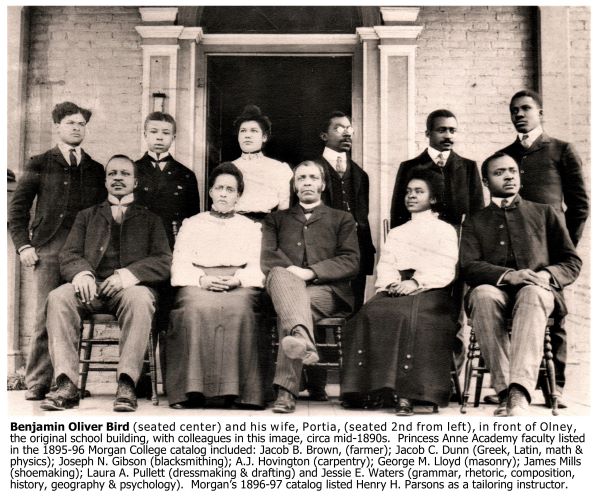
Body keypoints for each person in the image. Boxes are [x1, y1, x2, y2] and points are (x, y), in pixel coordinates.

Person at [40, 155, 172, 412]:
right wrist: (82, 274)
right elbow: (69, 254)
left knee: (141, 299)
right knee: (58, 297)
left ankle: (126, 383)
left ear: (135, 181)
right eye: (112, 174)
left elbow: (164, 260)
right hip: (90, 288)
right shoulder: (86, 216)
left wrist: (127, 276)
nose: (118, 178)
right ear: (106, 180)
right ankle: (66, 383)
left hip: (129, 289)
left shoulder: (151, 219)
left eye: (124, 174)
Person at [460, 152, 581, 416]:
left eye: (512, 171)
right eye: (499, 172)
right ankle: (505, 391)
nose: (508, 177)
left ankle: (519, 391)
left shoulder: (544, 213)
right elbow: (469, 266)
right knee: (482, 294)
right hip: (495, 291)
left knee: (532, 293)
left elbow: (571, 261)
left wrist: (548, 275)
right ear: (484, 180)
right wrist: (508, 275)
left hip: (537, 292)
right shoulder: (475, 219)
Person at [8, 101, 106, 401]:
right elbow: (17, 209)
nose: (77, 128)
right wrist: (24, 245)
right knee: (44, 314)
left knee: (71, 313)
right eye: (71, 123)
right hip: (48, 249)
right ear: (58, 126)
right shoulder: (40, 163)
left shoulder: (94, 168)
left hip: (83, 255)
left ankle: (68, 381)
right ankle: (38, 381)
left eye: (81, 124)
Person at [342, 169, 459, 416]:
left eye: (419, 192)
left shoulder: (444, 230)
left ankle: (408, 393)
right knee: (367, 314)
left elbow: (445, 265)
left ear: (434, 198)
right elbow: (386, 264)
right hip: (396, 289)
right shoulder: (397, 232)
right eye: (408, 192)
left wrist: (415, 283)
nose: (411, 196)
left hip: (431, 290)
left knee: (410, 319)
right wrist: (392, 282)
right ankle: (371, 390)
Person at [498, 90, 589, 401]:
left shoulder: (562, 150)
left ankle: (555, 387)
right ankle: (515, 386)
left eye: (526, 109)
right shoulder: (506, 154)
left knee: (557, 316)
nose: (520, 115)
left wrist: (565, 248)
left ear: (540, 113)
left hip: (551, 251)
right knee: (514, 309)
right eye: (514, 110)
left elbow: (579, 206)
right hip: (514, 249)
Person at [262, 160, 360, 413]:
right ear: (294, 187)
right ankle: (304, 345)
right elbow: (268, 256)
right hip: (284, 283)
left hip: (327, 291)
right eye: (301, 178)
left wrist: (310, 272)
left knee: (291, 310)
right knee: (286, 287)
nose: (307, 182)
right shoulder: (276, 219)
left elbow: (350, 260)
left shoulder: (342, 219)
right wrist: (292, 274)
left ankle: (286, 391)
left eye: (313, 178)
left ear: (323, 184)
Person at [165, 163, 265, 409]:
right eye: (219, 188)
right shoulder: (192, 223)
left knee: (239, 309)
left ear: (238, 195)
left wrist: (238, 279)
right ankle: (191, 391)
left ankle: (241, 393)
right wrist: (201, 279)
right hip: (198, 281)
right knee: (195, 309)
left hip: (238, 283)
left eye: (230, 189)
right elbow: (179, 262)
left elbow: (257, 264)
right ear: (210, 192)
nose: (223, 193)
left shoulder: (251, 227)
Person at [313, 111, 375, 313]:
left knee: (354, 309)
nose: (347, 133)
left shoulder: (360, 175)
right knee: (319, 306)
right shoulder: (310, 171)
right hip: (323, 253)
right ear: (324, 136)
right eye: (339, 128)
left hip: (357, 252)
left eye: (349, 129)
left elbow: (362, 217)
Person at [390, 109, 483, 229]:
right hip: (421, 239)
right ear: (428, 133)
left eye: (452, 131)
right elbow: (399, 212)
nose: (448, 136)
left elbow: (477, 212)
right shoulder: (409, 167)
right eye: (441, 130)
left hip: (459, 242)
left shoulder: (468, 167)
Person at [135, 112, 200, 249]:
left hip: (172, 239)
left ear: (173, 137)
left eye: (165, 133)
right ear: (145, 135)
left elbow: (193, 218)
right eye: (153, 132)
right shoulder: (133, 170)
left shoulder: (186, 174)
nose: (159, 137)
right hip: (139, 238)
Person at [231, 105, 293, 221]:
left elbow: (284, 209)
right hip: (234, 228)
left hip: (266, 227)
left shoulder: (279, 168)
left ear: (264, 137)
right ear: (238, 137)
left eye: (254, 131)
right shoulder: (229, 168)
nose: (247, 135)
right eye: (243, 131)